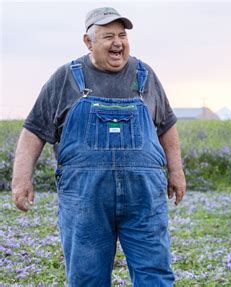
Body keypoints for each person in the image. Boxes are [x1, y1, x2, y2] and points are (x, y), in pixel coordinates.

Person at [11, 7, 186, 286]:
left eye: (122, 35)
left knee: (155, 274)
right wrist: (21, 178)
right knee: (87, 278)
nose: (118, 42)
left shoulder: (145, 75)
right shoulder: (65, 78)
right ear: (88, 41)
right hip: (86, 198)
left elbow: (166, 126)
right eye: (108, 36)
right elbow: (34, 130)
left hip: (143, 198)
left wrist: (176, 171)